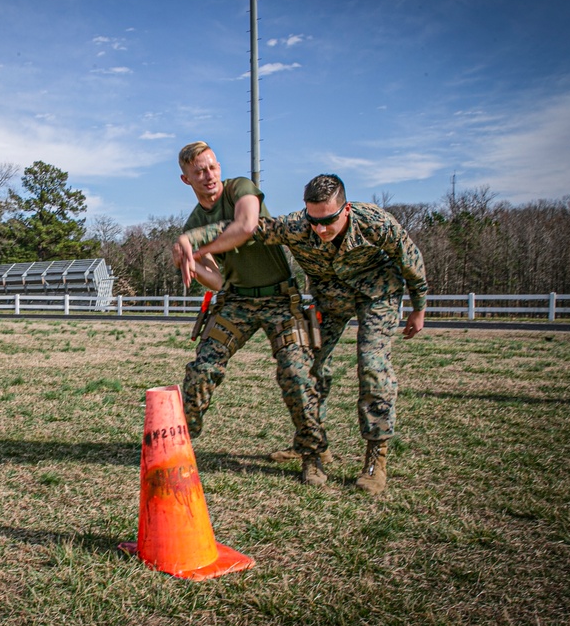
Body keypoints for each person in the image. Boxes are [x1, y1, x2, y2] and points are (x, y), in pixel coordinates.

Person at [180, 174, 427, 494]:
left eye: (329, 221)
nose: (320, 229)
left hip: (377, 296)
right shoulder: (298, 225)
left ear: (346, 209)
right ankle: (311, 446)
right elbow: (252, 228)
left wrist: (418, 308)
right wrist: (193, 238)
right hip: (330, 299)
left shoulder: (376, 223)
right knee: (308, 367)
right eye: (314, 220)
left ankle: (374, 458)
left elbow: (411, 261)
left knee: (372, 363)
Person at [170, 142, 330, 486]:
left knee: (296, 374)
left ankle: (313, 453)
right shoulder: (195, 220)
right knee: (202, 369)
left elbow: (245, 226)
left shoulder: (240, 187)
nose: (209, 175)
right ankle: (182, 444)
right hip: (237, 301)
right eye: (199, 171)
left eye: (212, 167)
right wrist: (192, 264)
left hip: (279, 298)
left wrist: (198, 246)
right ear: (186, 179)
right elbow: (219, 280)